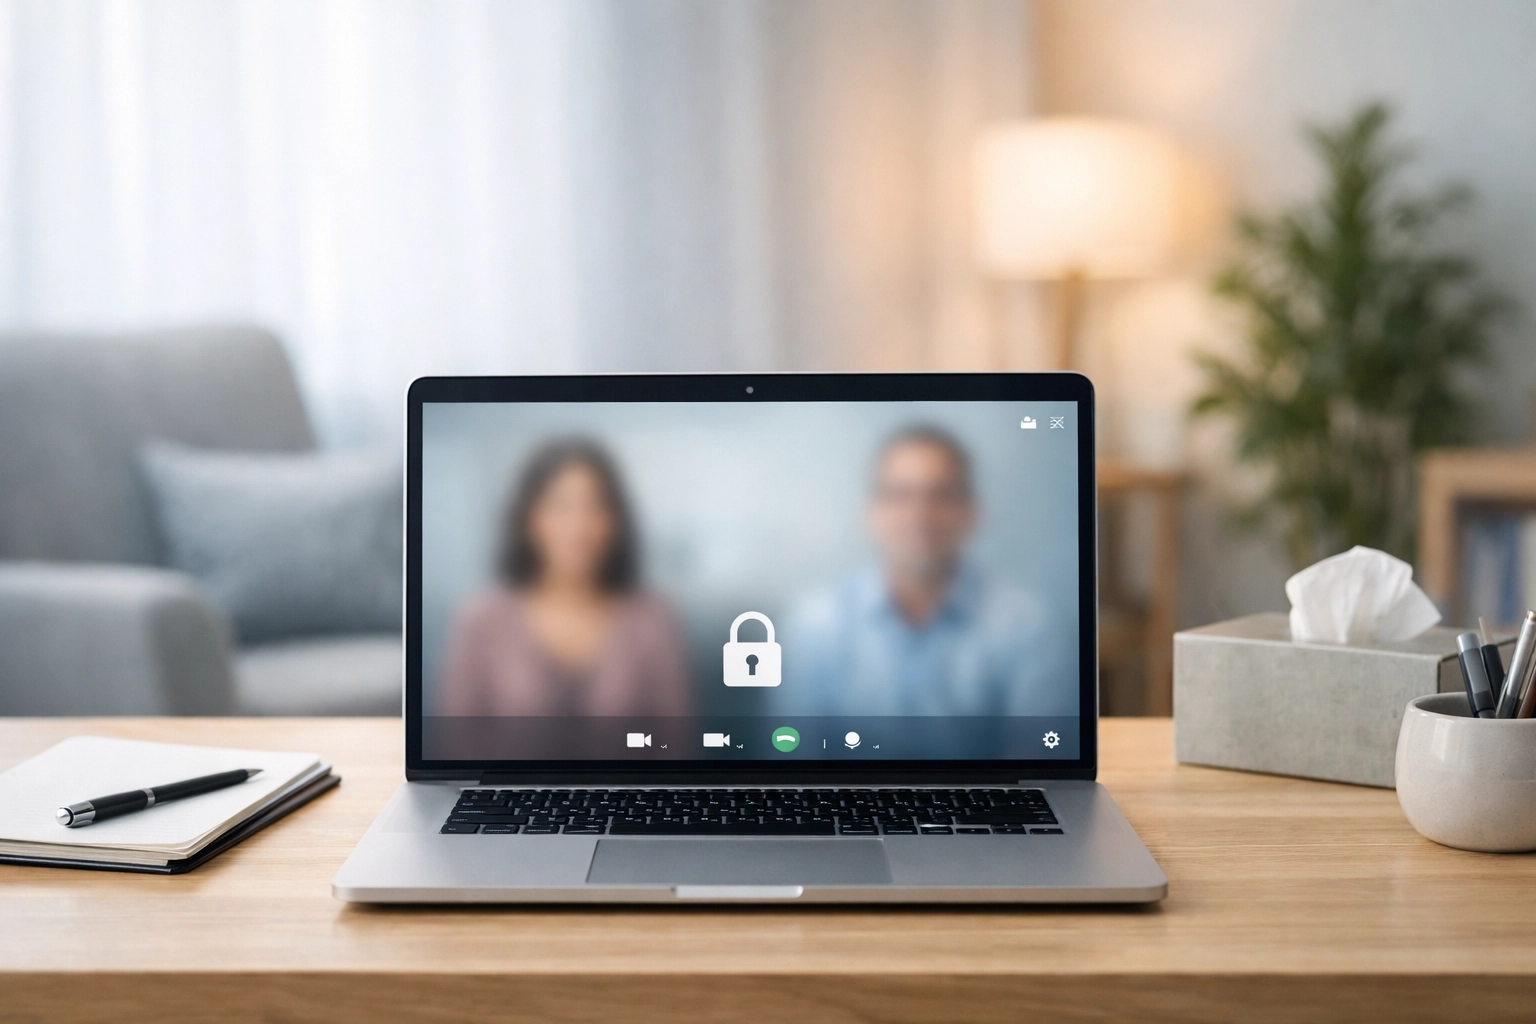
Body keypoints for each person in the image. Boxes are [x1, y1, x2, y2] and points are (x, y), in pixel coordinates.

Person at [781, 425, 1071, 717]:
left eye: (941, 495)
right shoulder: (817, 623)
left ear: (972, 510)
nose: (919, 515)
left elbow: (1040, 751)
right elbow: (793, 750)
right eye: (900, 494)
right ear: (871, 511)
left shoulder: (1025, 624)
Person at [437, 438, 691, 717]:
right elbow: (456, 744)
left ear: (616, 521)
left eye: (594, 506)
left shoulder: (652, 619)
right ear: (529, 518)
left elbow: (677, 745)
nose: (578, 526)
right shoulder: (483, 619)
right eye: (561, 505)